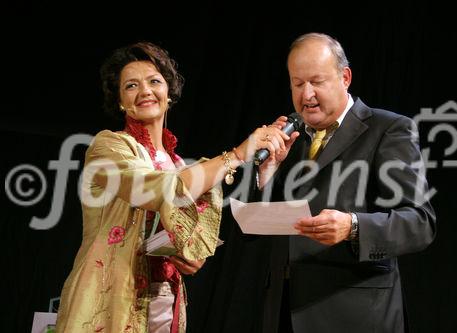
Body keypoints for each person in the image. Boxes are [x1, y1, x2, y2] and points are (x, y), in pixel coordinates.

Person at [55, 41, 289, 333]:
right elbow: (158, 189)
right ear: (119, 101)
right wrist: (239, 154)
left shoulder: (178, 162)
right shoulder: (109, 146)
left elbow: (190, 228)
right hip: (111, 299)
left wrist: (191, 257)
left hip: (164, 299)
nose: (145, 91)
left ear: (169, 94)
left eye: (154, 81)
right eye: (131, 86)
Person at [256, 33, 437, 332]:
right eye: (298, 83)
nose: (307, 94)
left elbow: (420, 222)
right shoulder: (287, 138)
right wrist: (268, 170)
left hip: (354, 313)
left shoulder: (388, 129)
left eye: (317, 81)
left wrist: (353, 227)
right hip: (285, 310)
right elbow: (258, 229)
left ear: (345, 77)